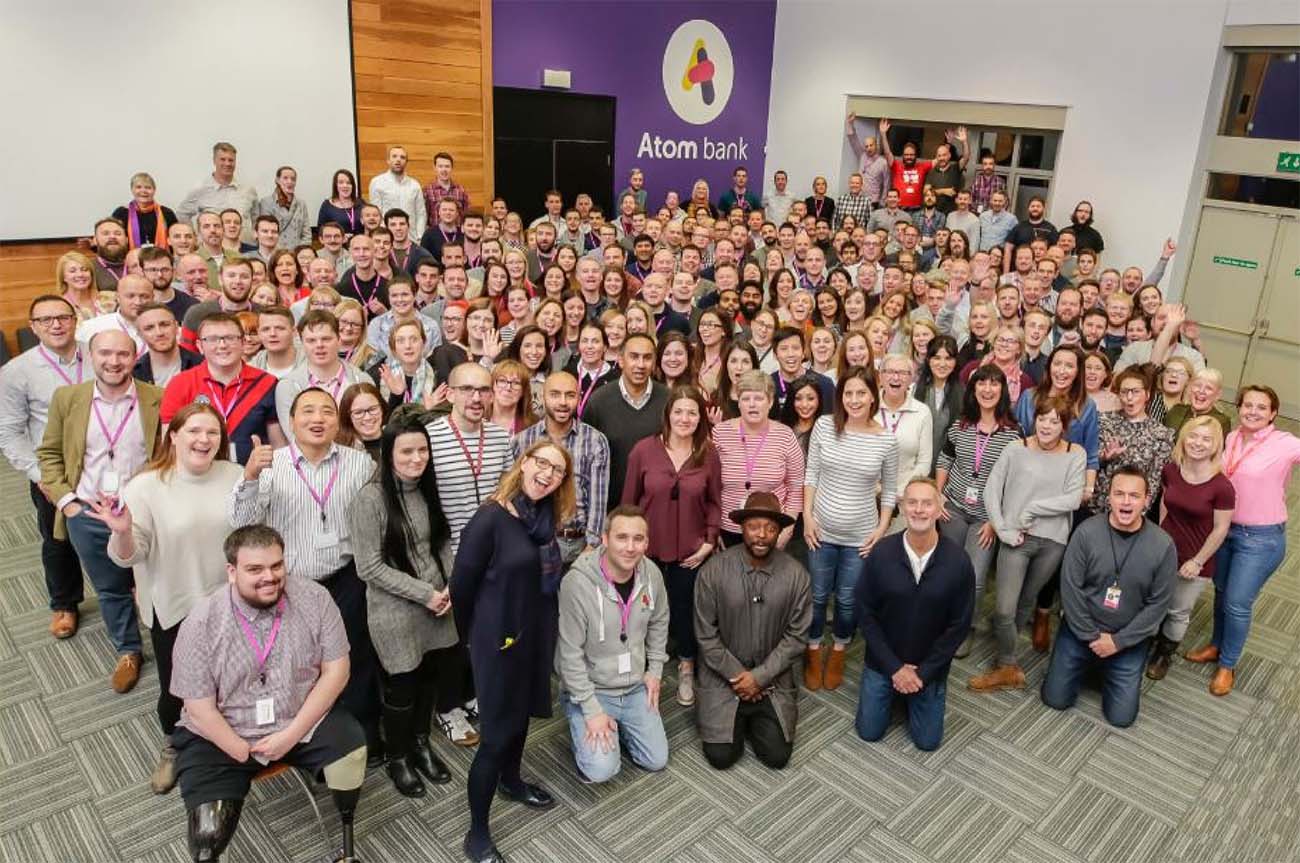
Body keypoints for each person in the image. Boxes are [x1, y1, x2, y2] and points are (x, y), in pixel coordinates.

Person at [168, 525, 366, 863]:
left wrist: (289, 736)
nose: (270, 577)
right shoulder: (201, 622)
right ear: (232, 571)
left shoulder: (316, 599)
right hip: (225, 734)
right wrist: (240, 749)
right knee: (207, 837)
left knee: (353, 753)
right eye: (255, 569)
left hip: (301, 718)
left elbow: (337, 672)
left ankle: (346, 843)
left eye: (276, 565)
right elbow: (199, 708)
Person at [93, 403, 245, 793]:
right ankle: (174, 747)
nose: (204, 440)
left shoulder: (236, 475)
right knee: (178, 689)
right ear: (173, 436)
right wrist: (123, 531)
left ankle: (224, 742)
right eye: (194, 431)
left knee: (231, 679)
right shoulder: (145, 486)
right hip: (175, 605)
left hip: (231, 603)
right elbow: (129, 555)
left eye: (212, 433)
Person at [227, 387, 383, 758]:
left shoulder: (360, 464)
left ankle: (364, 739)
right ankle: (303, 741)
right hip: (291, 586)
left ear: (337, 420)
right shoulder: (269, 465)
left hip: (345, 580)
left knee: (355, 660)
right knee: (296, 666)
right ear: (290, 421)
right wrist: (249, 478)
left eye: (327, 412)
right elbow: (241, 525)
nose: (318, 419)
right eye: (308, 411)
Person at [451, 440, 575, 863]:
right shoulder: (490, 518)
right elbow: (460, 587)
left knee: (521, 718)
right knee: (497, 734)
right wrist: (474, 639)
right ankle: (477, 833)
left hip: (533, 632)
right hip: (497, 639)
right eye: (541, 463)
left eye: (557, 470)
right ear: (523, 463)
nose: (547, 473)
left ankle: (512, 781)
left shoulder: (540, 515)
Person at [37, 330, 163, 693]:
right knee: (110, 588)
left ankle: (171, 645)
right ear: (90, 356)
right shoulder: (68, 398)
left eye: (122, 354)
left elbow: (166, 456)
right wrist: (68, 504)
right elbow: (49, 454)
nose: (114, 361)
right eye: (105, 353)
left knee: (154, 580)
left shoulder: (155, 398)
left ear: (134, 357)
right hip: (89, 514)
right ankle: (128, 650)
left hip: (142, 511)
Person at [351, 413, 465, 797]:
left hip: (437, 601)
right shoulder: (370, 498)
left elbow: (442, 541)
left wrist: (450, 585)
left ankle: (421, 743)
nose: (417, 459)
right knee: (402, 686)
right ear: (388, 454)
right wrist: (426, 594)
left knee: (431, 676)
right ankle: (399, 756)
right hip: (396, 609)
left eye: (422, 450)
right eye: (407, 451)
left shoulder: (426, 487)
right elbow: (369, 567)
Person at [1184, 385, 1300, 695]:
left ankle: (1228, 664)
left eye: (1262, 407)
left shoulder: (1284, 443)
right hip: (1225, 531)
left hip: (1260, 539)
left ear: (1274, 413)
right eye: (1248, 405)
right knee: (1221, 594)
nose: (1253, 411)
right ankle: (1216, 646)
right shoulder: (1232, 437)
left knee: (1237, 603)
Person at [1041, 467, 1177, 728]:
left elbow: (1158, 604)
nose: (1126, 502)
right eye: (1119, 494)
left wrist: (1118, 641)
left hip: (1127, 640)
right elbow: (1070, 588)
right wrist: (1092, 636)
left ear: (1147, 500)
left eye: (1134, 496)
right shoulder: (1086, 533)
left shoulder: (1163, 545)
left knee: (1121, 718)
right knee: (1055, 699)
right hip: (1081, 633)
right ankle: (1092, 663)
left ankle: (1104, 666)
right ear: (1108, 498)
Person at [973, 396, 1086, 691]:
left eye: (1055, 421)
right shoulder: (1016, 448)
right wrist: (1001, 528)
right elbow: (991, 490)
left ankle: (1005, 662)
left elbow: (1073, 498)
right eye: (1042, 418)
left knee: (1026, 601)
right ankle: (1009, 664)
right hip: (1016, 538)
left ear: (1064, 425)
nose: (1047, 426)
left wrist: (1033, 509)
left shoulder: (1076, 454)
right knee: (1004, 609)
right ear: (1034, 419)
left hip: (1052, 542)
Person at [694, 491, 812, 770]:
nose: (762, 535)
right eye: (754, 526)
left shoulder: (797, 576)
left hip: (771, 681)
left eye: (770, 528)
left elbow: (797, 638)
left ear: (779, 532)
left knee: (776, 757)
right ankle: (736, 715)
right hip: (724, 680)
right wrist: (740, 678)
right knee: (721, 757)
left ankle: (755, 714)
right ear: (741, 527)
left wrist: (759, 677)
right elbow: (705, 635)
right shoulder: (713, 571)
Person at [855, 478, 975, 750]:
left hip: (929, 667)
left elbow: (959, 624)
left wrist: (924, 672)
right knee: (869, 732)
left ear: (939, 508)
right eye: (912, 502)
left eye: (927, 503)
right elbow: (865, 613)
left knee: (927, 742)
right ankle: (895, 690)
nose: (919, 510)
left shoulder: (958, 562)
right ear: (902, 507)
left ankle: (910, 691)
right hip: (884, 662)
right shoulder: (881, 553)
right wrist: (894, 669)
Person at [623, 385, 721, 707]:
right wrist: (629, 546)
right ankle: (636, 669)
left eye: (692, 412)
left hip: (691, 553)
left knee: (684, 612)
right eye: (678, 411)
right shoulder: (643, 450)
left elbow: (714, 503)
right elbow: (628, 502)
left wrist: (709, 542)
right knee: (642, 612)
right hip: (646, 553)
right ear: (667, 414)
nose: (685, 418)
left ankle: (686, 666)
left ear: (700, 417)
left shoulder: (708, 452)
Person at [556, 507, 670, 783]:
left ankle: (618, 728)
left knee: (656, 760)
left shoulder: (651, 574)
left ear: (646, 542)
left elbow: (659, 621)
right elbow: (568, 655)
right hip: (593, 689)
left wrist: (654, 670)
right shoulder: (577, 583)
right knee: (601, 770)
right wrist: (593, 711)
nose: (630, 548)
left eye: (638, 539)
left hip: (633, 687)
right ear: (605, 539)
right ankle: (584, 722)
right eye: (621, 537)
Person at [802, 368, 898, 691]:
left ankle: (839, 648)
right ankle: (813, 649)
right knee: (816, 596)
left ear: (874, 395)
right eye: (848, 393)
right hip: (821, 531)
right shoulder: (824, 426)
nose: (854, 400)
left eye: (861, 393)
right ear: (840, 396)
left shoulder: (886, 439)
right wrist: (807, 517)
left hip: (861, 536)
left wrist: (882, 528)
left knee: (846, 600)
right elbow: (811, 474)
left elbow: (890, 490)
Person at [0, 295, 89, 640]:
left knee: (115, 529)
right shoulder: (16, 371)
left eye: (63, 317)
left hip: (103, 463)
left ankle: (125, 589)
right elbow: (9, 433)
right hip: (55, 471)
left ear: (74, 319)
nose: (56, 325)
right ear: (33, 326)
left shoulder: (97, 354)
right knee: (57, 540)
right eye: (46, 319)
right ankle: (65, 603)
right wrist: (41, 476)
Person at [934, 365, 1022, 656]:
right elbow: (945, 459)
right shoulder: (960, 425)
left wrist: (996, 522)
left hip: (987, 517)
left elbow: (1014, 483)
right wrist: (937, 495)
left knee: (974, 577)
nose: (987, 389)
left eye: (993, 384)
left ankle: (964, 628)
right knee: (946, 569)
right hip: (954, 509)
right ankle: (942, 622)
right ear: (973, 390)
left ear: (1002, 390)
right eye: (981, 383)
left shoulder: (1013, 433)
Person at [1146, 417, 1234, 681]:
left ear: (1216, 445)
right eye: (1193, 436)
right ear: (1184, 438)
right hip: (1164, 551)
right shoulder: (1172, 469)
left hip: (1196, 559)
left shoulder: (1222, 486)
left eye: (1206, 439)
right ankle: (1145, 641)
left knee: (1177, 610)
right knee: (1153, 600)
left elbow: (1221, 529)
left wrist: (1197, 561)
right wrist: (1160, 536)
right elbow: (1165, 503)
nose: (1198, 443)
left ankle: (1164, 653)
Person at [514, 371, 611, 565]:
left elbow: (598, 500)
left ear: (579, 397)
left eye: (570, 395)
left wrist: (591, 546)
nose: (563, 402)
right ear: (543, 396)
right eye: (555, 394)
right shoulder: (523, 440)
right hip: (533, 541)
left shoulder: (595, 441)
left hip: (577, 543)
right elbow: (515, 494)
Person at [162, 314, 285, 463]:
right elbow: (169, 445)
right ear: (200, 346)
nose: (222, 345)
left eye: (230, 338)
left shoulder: (267, 383)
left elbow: (279, 447)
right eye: (212, 339)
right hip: (199, 478)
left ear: (243, 342)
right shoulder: (180, 384)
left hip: (255, 477)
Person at [426, 362, 514, 555]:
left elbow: (508, 492)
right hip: (449, 555)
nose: (476, 398)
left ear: (491, 396)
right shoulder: (428, 438)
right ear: (450, 394)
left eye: (483, 390)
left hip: (495, 551)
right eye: (467, 389)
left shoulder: (501, 437)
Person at [713, 371, 805, 549]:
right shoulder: (720, 433)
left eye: (759, 398)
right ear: (738, 403)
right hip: (728, 530)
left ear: (770, 402)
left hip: (770, 531)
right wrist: (712, 530)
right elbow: (708, 486)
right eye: (746, 399)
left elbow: (796, 487)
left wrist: (787, 530)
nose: (752, 404)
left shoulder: (785, 436)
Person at [583, 334, 671, 508]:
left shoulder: (669, 400)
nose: (640, 365)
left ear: (654, 363)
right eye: (634, 357)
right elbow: (586, 457)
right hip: (611, 507)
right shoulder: (599, 401)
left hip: (658, 506)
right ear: (621, 360)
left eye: (647, 358)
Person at [1092, 368, 1174, 513]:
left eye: (1135, 392)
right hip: (1097, 508)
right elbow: (1089, 463)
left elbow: (1154, 481)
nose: (1129, 397)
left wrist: (1139, 512)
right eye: (1124, 392)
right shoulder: (1104, 421)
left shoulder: (1161, 435)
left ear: (1147, 395)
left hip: (1132, 512)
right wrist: (1104, 457)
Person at [175, 142, 259, 243]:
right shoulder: (200, 190)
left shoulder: (248, 190)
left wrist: (255, 239)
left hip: (243, 250)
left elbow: (257, 218)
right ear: (214, 161)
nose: (227, 164)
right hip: (212, 251)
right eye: (222, 159)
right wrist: (194, 238)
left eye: (231, 160)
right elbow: (182, 214)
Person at [368, 145, 427, 237]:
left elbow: (421, 214)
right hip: (387, 239)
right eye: (394, 156)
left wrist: (420, 236)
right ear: (388, 160)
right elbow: (376, 214)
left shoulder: (414, 185)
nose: (398, 160)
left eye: (402, 157)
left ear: (406, 162)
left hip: (411, 238)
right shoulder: (377, 182)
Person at [113, 172, 178, 249]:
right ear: (132, 189)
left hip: (161, 258)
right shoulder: (121, 213)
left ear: (154, 190)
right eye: (138, 187)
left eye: (148, 187)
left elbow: (176, 237)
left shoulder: (167, 213)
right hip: (130, 258)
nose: (143, 191)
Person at [336, 381, 387, 461]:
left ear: (382, 408)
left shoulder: (397, 440)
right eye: (358, 412)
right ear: (348, 416)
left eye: (372, 409)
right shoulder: (339, 450)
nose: (367, 417)